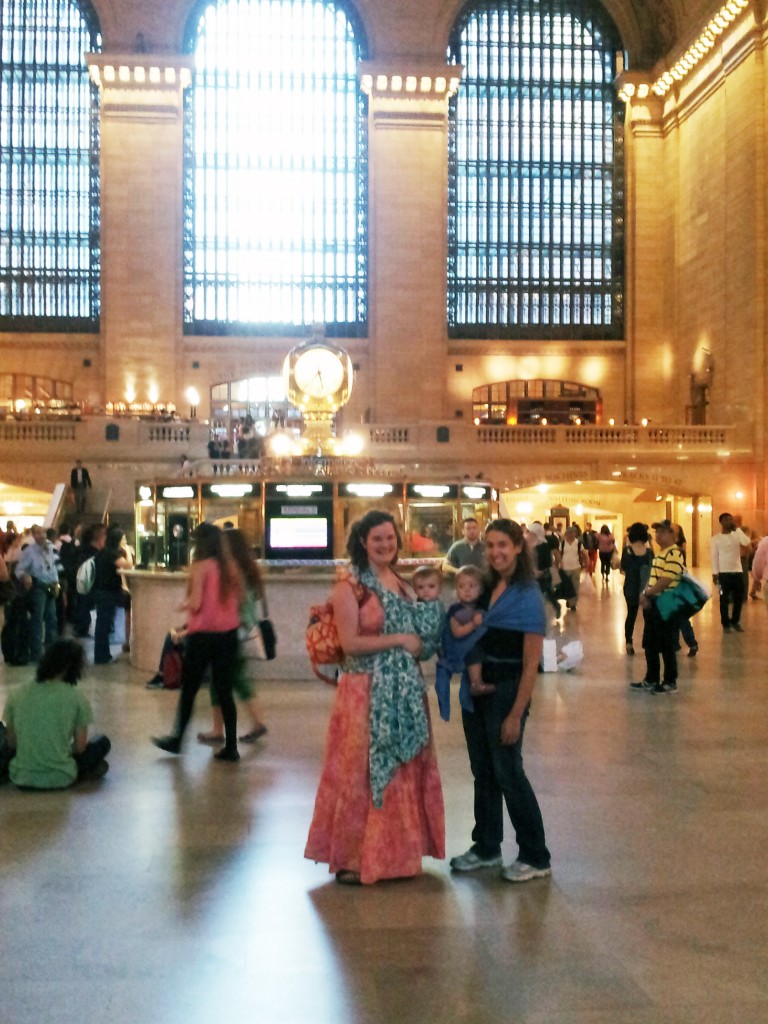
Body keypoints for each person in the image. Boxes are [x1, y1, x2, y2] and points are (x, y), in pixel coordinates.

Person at [305, 510, 445, 885]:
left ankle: (397, 856)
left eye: (390, 538)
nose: (385, 544)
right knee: (359, 773)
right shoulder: (349, 587)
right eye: (377, 538)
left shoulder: (402, 583)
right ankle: (355, 857)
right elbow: (351, 643)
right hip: (363, 692)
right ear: (363, 543)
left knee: (403, 771)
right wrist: (399, 640)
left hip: (403, 692)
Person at [449, 519, 551, 883]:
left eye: (503, 545)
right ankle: (487, 846)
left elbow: (530, 664)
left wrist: (516, 713)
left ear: (519, 547)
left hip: (507, 691)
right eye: (490, 546)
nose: (495, 552)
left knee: (509, 771)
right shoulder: (484, 588)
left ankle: (536, 855)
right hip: (477, 694)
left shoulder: (527, 596)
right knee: (484, 772)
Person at [152, 522, 244, 762]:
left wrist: (183, 606)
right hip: (228, 635)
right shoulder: (231, 567)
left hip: (202, 637)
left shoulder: (200, 567)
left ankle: (176, 739)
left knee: (190, 690)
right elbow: (241, 599)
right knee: (225, 691)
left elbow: (196, 603)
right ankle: (231, 747)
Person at [0, 639, 110, 788]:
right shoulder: (77, 697)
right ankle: (85, 770)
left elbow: (12, 743)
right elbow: (80, 748)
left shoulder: (17, 693)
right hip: (62, 777)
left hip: (21, 776)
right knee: (102, 742)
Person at [196, 528, 269, 745]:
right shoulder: (247, 571)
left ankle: (220, 730)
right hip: (244, 630)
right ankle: (253, 722)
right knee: (235, 680)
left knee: (222, 682)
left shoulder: (232, 573)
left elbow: (229, 605)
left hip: (231, 632)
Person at [630, 519, 684, 694]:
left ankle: (670, 680)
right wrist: (645, 593)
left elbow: (666, 580)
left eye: (662, 531)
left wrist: (647, 593)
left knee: (666, 643)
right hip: (654, 602)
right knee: (650, 642)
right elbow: (653, 578)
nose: (657, 535)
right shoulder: (660, 554)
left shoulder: (674, 553)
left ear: (672, 535)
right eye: (656, 532)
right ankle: (651, 678)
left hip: (666, 602)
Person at [434, 565, 485, 721]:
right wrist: (473, 625)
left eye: (472, 586)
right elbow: (456, 632)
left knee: (467, 683)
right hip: (454, 652)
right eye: (461, 586)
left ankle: (467, 701)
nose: (467, 590)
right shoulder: (456, 610)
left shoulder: (481, 608)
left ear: (481, 589)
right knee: (442, 681)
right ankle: (445, 708)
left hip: (470, 656)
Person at [15, 524, 60, 662]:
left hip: (51, 586)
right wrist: (25, 576)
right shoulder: (29, 551)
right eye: (38, 533)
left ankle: (51, 650)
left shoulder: (51, 548)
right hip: (38, 587)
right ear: (33, 536)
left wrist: (57, 583)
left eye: (43, 533)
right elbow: (19, 569)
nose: (41, 536)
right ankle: (36, 653)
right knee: (37, 620)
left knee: (51, 618)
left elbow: (55, 567)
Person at [92, 526, 132, 664]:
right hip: (107, 593)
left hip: (101, 591)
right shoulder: (112, 554)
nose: (124, 541)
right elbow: (127, 566)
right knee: (104, 624)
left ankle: (102, 654)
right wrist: (127, 551)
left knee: (102, 624)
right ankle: (102, 656)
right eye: (123, 539)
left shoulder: (103, 552)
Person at [711, 512, 751, 633]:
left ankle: (735, 621)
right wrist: (715, 573)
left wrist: (737, 529)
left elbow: (746, 542)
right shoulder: (716, 539)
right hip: (723, 573)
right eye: (726, 520)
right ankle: (726, 624)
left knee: (738, 598)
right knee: (724, 599)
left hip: (737, 571)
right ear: (721, 522)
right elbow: (714, 556)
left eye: (731, 520)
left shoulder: (736, 535)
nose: (729, 522)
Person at [620, 522, 654, 656]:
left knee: (631, 615)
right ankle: (648, 642)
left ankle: (629, 643)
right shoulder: (649, 552)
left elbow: (623, 568)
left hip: (630, 587)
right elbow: (653, 568)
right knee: (648, 617)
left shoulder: (627, 551)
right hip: (646, 588)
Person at [674, 524, 699, 656]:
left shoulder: (678, 546)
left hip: (679, 582)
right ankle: (676, 643)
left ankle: (692, 643)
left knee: (681, 616)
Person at [557, 526, 584, 610]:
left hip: (576, 567)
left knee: (575, 586)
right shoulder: (563, 543)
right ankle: (569, 600)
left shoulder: (578, 543)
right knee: (567, 586)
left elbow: (584, 553)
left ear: (575, 534)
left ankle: (573, 604)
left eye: (572, 533)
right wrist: (559, 563)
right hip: (565, 568)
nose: (570, 535)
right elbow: (559, 554)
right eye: (568, 533)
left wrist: (587, 562)